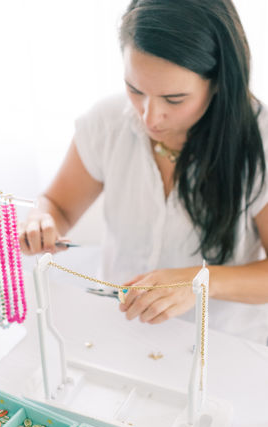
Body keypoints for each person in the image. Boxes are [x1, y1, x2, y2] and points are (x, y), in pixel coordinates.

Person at [20, 0, 268, 342]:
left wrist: (197, 280)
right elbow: (57, 205)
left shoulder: (261, 144)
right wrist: (43, 220)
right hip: (116, 331)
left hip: (221, 345)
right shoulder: (106, 123)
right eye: (135, 90)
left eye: (174, 99)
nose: (149, 117)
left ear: (219, 83)